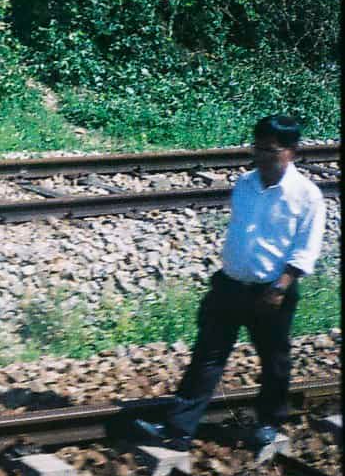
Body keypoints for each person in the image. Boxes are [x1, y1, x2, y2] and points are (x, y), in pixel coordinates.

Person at [136, 115, 328, 452]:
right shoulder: (245, 184)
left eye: (272, 151)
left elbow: (306, 247)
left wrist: (281, 287)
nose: (264, 158)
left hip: (272, 291)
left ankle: (269, 422)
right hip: (229, 285)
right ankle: (178, 429)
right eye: (258, 149)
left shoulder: (307, 196)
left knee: (274, 360)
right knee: (207, 356)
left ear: (292, 151)